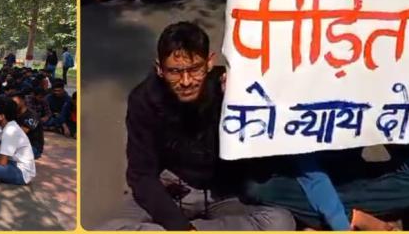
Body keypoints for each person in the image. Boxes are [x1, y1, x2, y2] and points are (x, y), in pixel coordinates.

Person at [103, 22, 296, 230]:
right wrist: (182, 228)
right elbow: (141, 175)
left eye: (195, 69)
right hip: (171, 192)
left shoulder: (231, 88)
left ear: (209, 63)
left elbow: (263, 164)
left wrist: (245, 103)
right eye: (174, 72)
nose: (186, 81)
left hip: (223, 194)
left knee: (280, 222)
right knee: (110, 228)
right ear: (160, 69)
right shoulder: (144, 99)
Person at [12, 92, 44, 158]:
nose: (13, 105)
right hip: (19, 145)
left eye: (15, 102)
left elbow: (21, 133)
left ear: (23, 101)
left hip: (33, 147)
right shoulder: (14, 113)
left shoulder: (32, 115)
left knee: (9, 156)